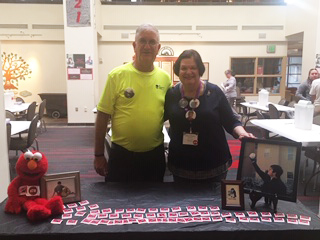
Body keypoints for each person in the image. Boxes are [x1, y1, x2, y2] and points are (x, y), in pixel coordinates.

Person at [94, 24, 172, 182]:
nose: (147, 46)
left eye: (152, 42)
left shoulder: (165, 78)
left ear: (158, 47)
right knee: (118, 204)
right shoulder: (117, 75)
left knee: (154, 203)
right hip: (122, 155)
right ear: (134, 45)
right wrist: (99, 154)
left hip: (154, 157)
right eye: (142, 41)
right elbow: (102, 117)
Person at [164, 49, 255, 183]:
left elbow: (230, 121)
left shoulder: (214, 92)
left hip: (214, 164)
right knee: (183, 203)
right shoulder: (172, 94)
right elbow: (159, 117)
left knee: (213, 203)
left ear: (200, 70)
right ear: (178, 71)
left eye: (193, 67)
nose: (188, 72)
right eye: (183, 68)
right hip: (181, 165)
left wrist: (242, 133)